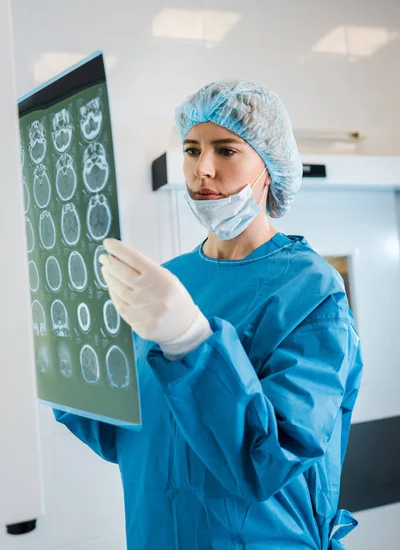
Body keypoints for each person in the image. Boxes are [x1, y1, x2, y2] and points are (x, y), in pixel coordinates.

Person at [54, 80, 363, 549]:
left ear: (269, 168)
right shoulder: (169, 281)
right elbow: (134, 439)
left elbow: (269, 462)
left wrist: (190, 341)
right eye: (192, 149)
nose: (203, 169)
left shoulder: (311, 291)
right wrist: (64, 360)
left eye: (227, 150)